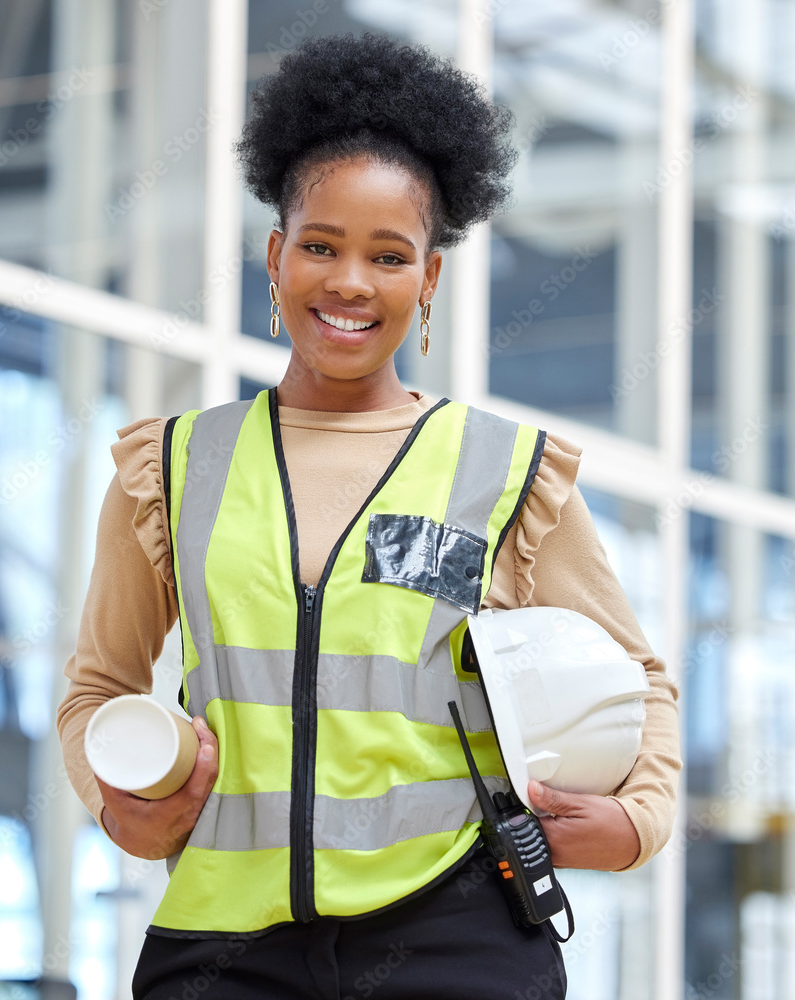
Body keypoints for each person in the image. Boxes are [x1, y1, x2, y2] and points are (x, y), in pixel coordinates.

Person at [57, 31, 682, 999]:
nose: (349, 282)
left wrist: (639, 816)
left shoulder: (505, 473)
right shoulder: (170, 468)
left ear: (427, 279)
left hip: (452, 933)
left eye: (387, 255)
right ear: (275, 256)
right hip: (224, 943)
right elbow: (97, 684)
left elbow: (639, 676)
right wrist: (114, 804)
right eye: (319, 245)